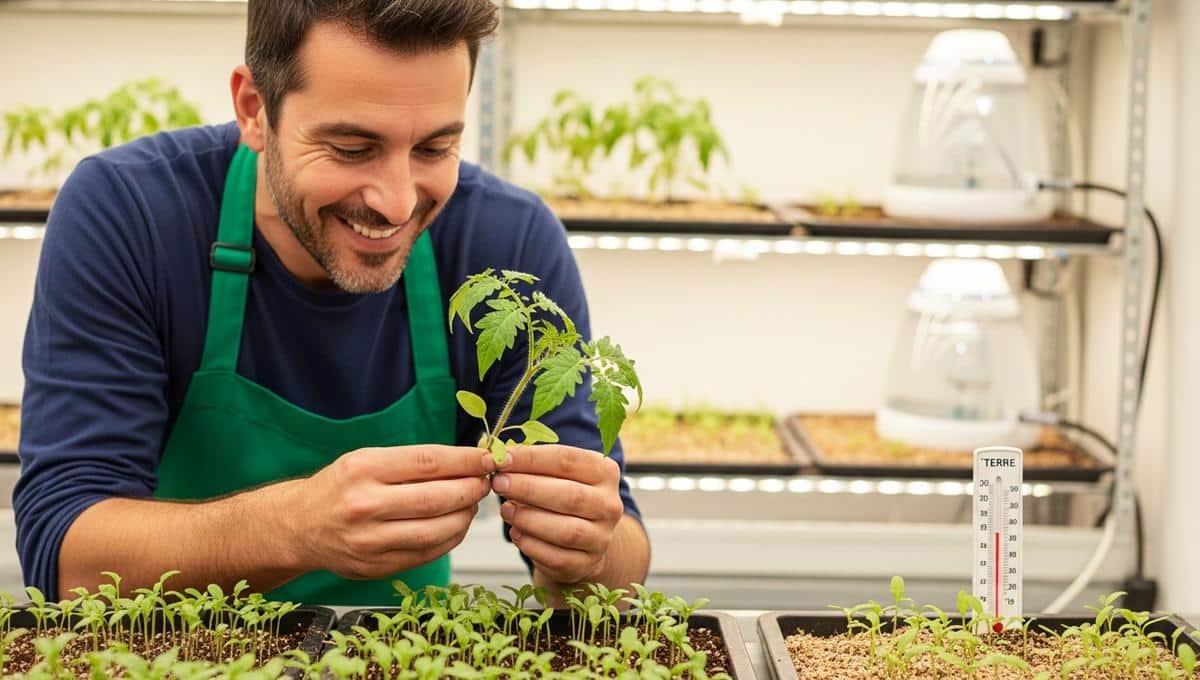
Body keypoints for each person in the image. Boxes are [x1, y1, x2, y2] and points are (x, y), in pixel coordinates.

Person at [13, 0, 649, 606]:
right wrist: (295, 526)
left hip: (404, 655)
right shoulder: (132, 215)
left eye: (435, 148)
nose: (397, 202)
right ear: (254, 108)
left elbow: (621, 561)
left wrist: (588, 548)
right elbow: (67, 554)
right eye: (351, 149)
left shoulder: (508, 243)